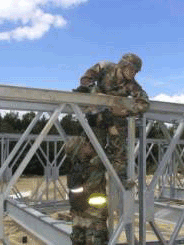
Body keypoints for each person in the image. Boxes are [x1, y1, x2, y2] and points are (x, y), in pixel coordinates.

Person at [68, 53, 150, 244]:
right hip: (96, 119)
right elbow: (85, 81)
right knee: (92, 157)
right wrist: (96, 97)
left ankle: (120, 181)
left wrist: (126, 110)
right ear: (123, 65)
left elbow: (144, 101)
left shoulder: (132, 85)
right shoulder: (104, 67)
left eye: (136, 71)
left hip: (114, 123)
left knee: (120, 154)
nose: (133, 74)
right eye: (132, 69)